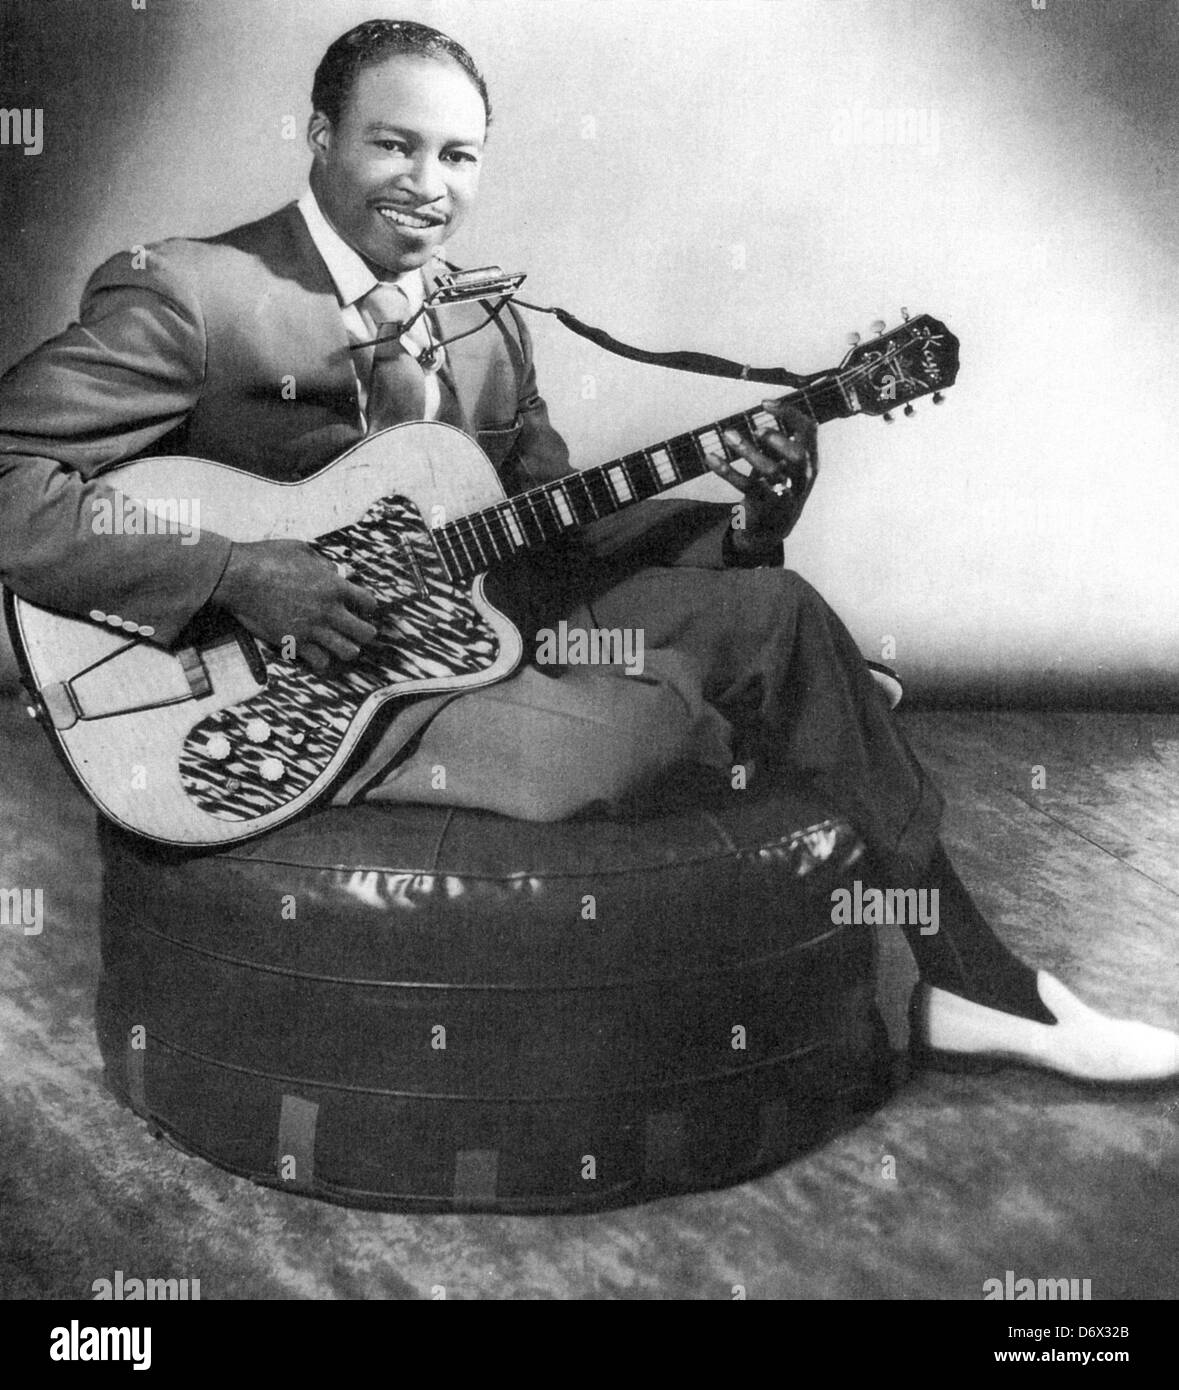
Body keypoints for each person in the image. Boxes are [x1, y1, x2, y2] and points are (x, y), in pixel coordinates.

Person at [0, 19, 1174, 1086]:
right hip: (281, 696)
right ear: (318, 138)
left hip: (463, 628)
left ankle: (978, 984)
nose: (427, 186)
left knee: (783, 615)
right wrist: (235, 573)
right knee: (628, 740)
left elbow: (551, 527)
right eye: (393, 147)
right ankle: (788, 713)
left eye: (457, 157)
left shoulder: (483, 321)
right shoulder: (193, 294)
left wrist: (753, 512)